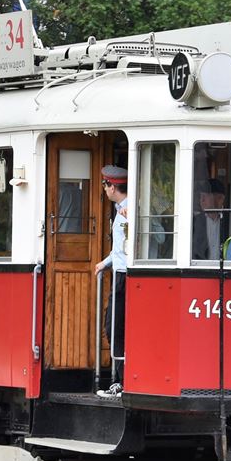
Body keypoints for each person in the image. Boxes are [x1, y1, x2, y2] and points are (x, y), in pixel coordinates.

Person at [94, 165, 128, 397]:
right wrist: (105, 263)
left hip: (125, 276)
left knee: (115, 327)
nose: (104, 190)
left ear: (112, 186)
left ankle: (123, 381)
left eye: (105, 185)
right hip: (118, 272)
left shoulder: (128, 210)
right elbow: (119, 248)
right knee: (115, 325)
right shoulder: (120, 209)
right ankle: (122, 380)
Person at [191, 179, 231, 260]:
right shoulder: (194, 221)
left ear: (220, 198)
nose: (201, 200)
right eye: (200, 197)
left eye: (204, 197)